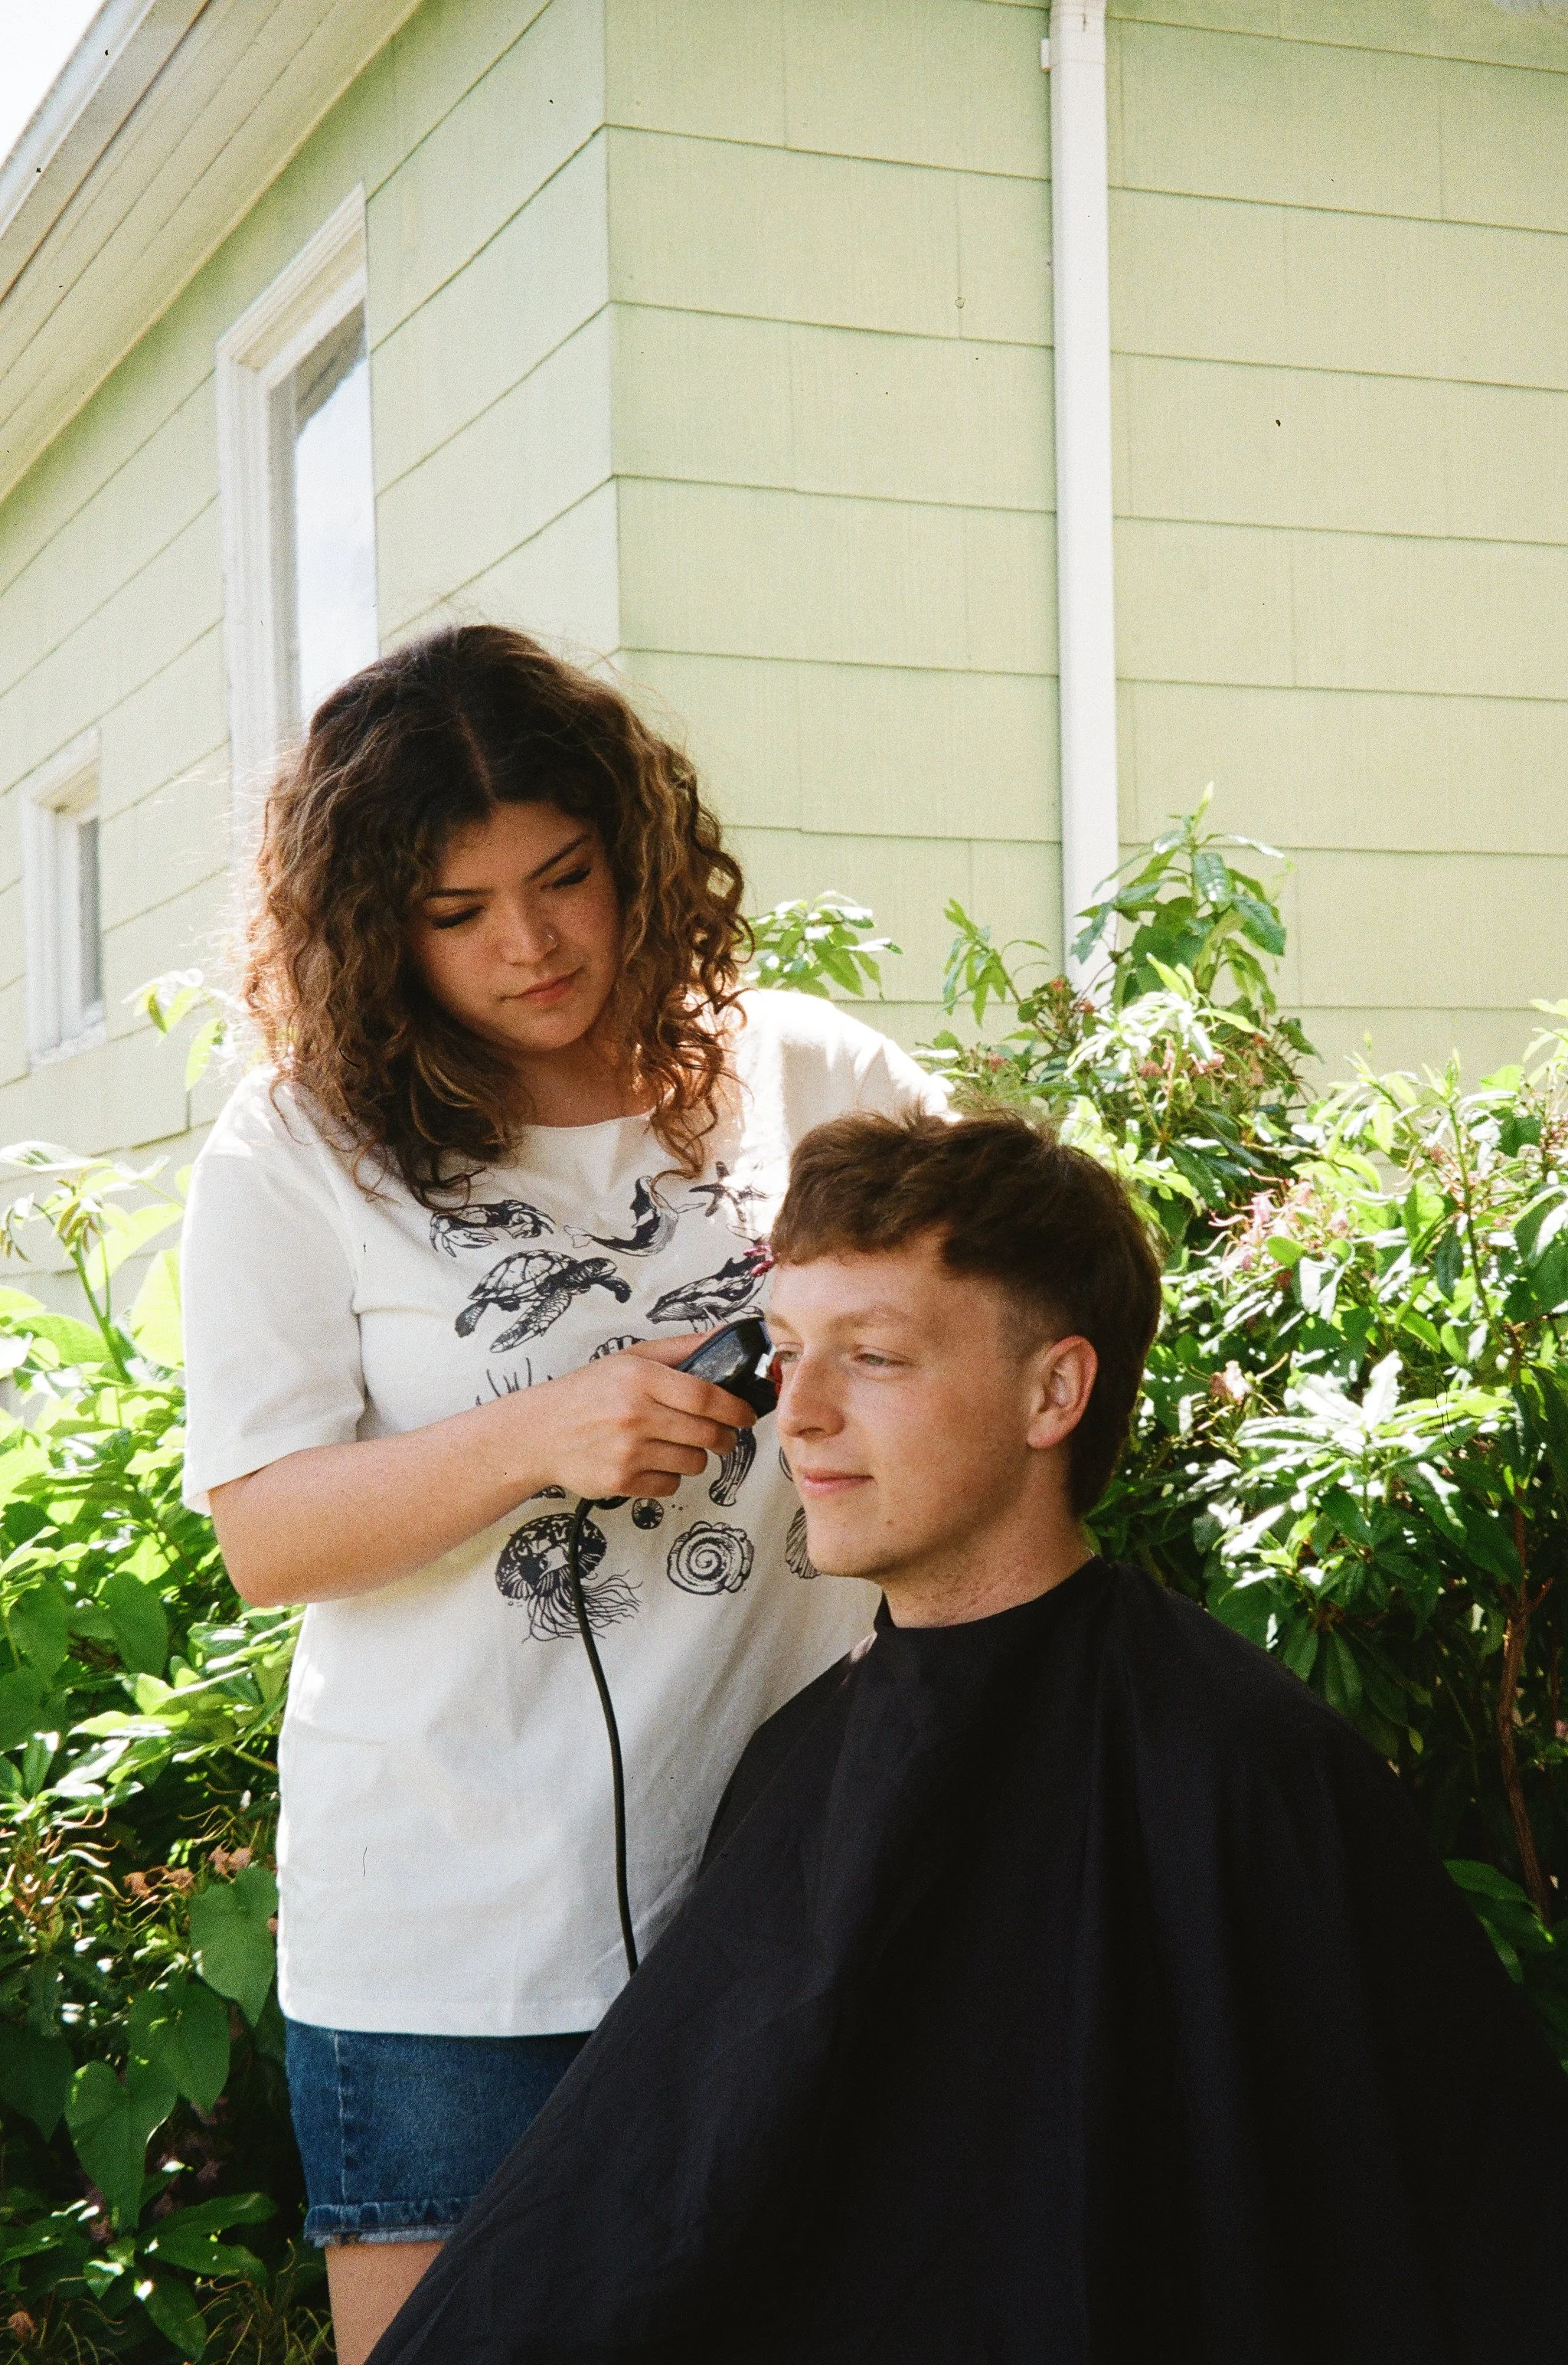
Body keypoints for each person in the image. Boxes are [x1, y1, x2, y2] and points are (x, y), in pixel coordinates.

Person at [368, 1109, 1568, 2365]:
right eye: (785, 1353)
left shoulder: (1243, 1768)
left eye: (874, 1357)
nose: (803, 1417)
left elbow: (1448, 2239)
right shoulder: (801, 1763)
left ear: (1055, 1390)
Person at [178, 626, 945, 2365]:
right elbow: (267, 1531)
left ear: (635, 851)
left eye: (565, 877)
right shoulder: (297, 1150)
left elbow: (1000, 1286)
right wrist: (540, 1432)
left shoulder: (799, 1070)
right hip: (450, 1949)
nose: (527, 943)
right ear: (375, 924)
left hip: (785, 1904)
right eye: (456, 911)